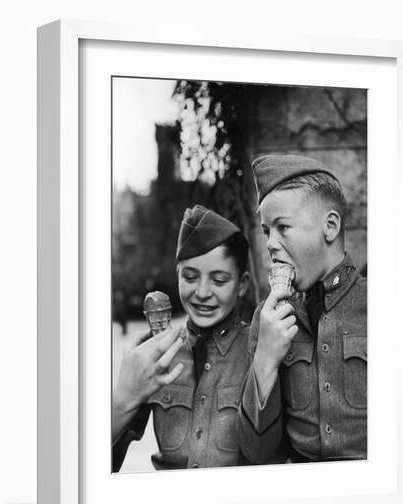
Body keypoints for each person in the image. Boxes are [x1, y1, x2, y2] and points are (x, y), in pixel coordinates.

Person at [238, 154, 367, 463]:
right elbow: (258, 455)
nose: (270, 242)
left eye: (283, 227)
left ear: (330, 226)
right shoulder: (268, 319)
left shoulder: (385, 307)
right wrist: (265, 361)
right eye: (267, 231)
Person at [113, 205, 252, 471]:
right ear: (177, 274)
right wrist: (122, 399)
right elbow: (98, 468)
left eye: (219, 281)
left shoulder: (258, 349)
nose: (202, 292)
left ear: (242, 284)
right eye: (190, 277)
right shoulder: (153, 352)